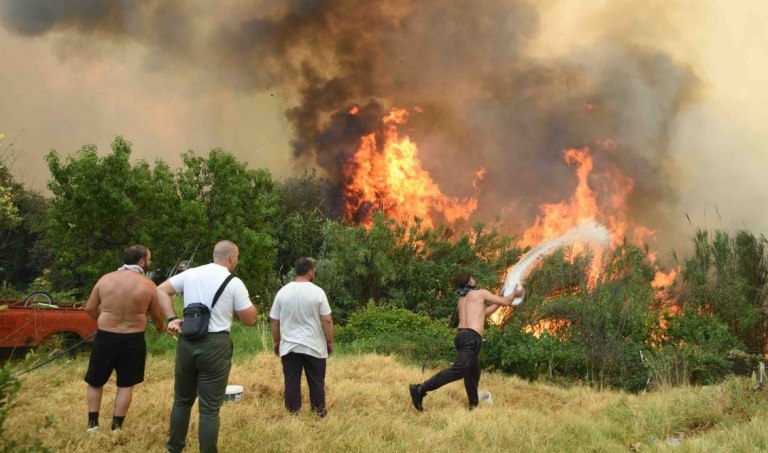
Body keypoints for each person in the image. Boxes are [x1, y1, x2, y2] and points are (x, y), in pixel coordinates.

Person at [157, 240, 257, 453]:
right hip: (215, 345)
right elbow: (249, 318)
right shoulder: (233, 282)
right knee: (210, 409)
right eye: (237, 256)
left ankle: (174, 449)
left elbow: (161, 290)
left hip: (187, 342)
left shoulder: (191, 274)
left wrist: (172, 318)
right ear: (232, 257)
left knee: (182, 401)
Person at [409, 272, 525, 411]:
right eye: (472, 278)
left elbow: (485, 312)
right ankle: (420, 389)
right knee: (459, 370)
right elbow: (506, 302)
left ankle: (473, 406)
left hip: (461, 336)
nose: (475, 279)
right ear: (470, 282)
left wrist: (500, 299)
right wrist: (515, 294)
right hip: (471, 338)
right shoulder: (480, 293)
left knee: (473, 373)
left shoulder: (462, 299)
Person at [83, 244, 165, 432]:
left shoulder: (105, 279)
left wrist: (103, 320)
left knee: (95, 381)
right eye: (149, 259)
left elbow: (89, 308)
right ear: (142, 261)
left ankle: (92, 425)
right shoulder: (148, 285)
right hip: (132, 339)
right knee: (126, 384)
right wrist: (161, 328)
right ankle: (116, 428)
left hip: (105, 337)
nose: (150, 263)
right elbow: (157, 317)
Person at [269, 257, 334, 417]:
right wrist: (330, 342)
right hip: (315, 346)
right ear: (310, 271)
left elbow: (274, 321)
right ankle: (319, 412)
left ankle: (293, 414)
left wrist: (277, 341)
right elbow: (327, 320)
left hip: (289, 346)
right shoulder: (318, 292)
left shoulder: (282, 292)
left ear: (296, 270)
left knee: (291, 382)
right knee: (317, 382)